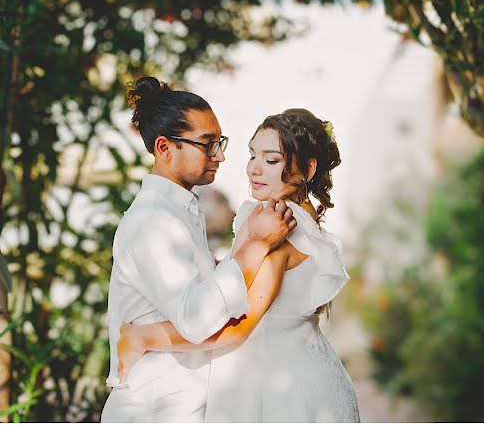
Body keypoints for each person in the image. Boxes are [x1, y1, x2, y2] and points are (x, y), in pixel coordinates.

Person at [116, 108, 360, 422]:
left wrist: (142, 337)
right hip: (305, 373)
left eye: (271, 160)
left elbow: (235, 329)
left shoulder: (276, 226)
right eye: (252, 156)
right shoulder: (300, 218)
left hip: (283, 394)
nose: (254, 170)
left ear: (308, 169)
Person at [100, 77, 297, 423]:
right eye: (207, 144)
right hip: (154, 411)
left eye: (219, 142)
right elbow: (196, 318)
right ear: (164, 148)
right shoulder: (152, 222)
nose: (220, 155)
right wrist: (256, 245)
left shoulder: (180, 212)